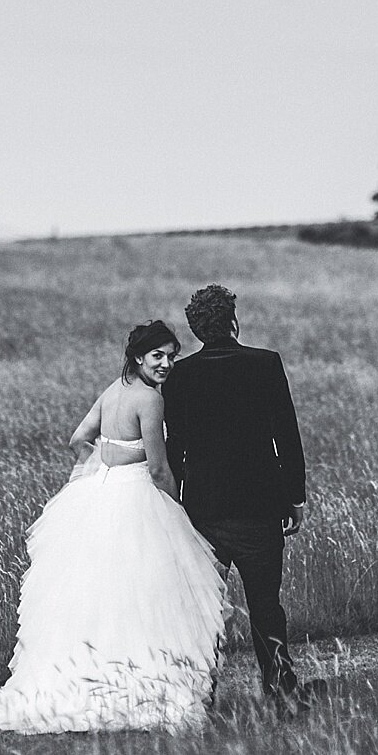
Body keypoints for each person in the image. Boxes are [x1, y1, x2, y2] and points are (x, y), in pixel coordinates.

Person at [0, 321, 229, 733]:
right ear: (139, 357)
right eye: (158, 356)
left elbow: (77, 438)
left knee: (97, 592)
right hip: (138, 499)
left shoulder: (112, 391)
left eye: (172, 356)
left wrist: (99, 465)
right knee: (145, 595)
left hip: (99, 497)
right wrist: (179, 512)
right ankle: (139, 683)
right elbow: (158, 468)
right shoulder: (149, 401)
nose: (167, 364)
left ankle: (86, 678)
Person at [164, 283, 311, 710]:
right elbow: (287, 434)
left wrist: (175, 505)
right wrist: (295, 497)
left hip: (204, 511)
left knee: (206, 608)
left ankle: (200, 695)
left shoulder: (181, 376)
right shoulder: (266, 364)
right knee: (266, 604)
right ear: (233, 321)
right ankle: (281, 690)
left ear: (196, 329)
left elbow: (176, 450)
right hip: (261, 507)